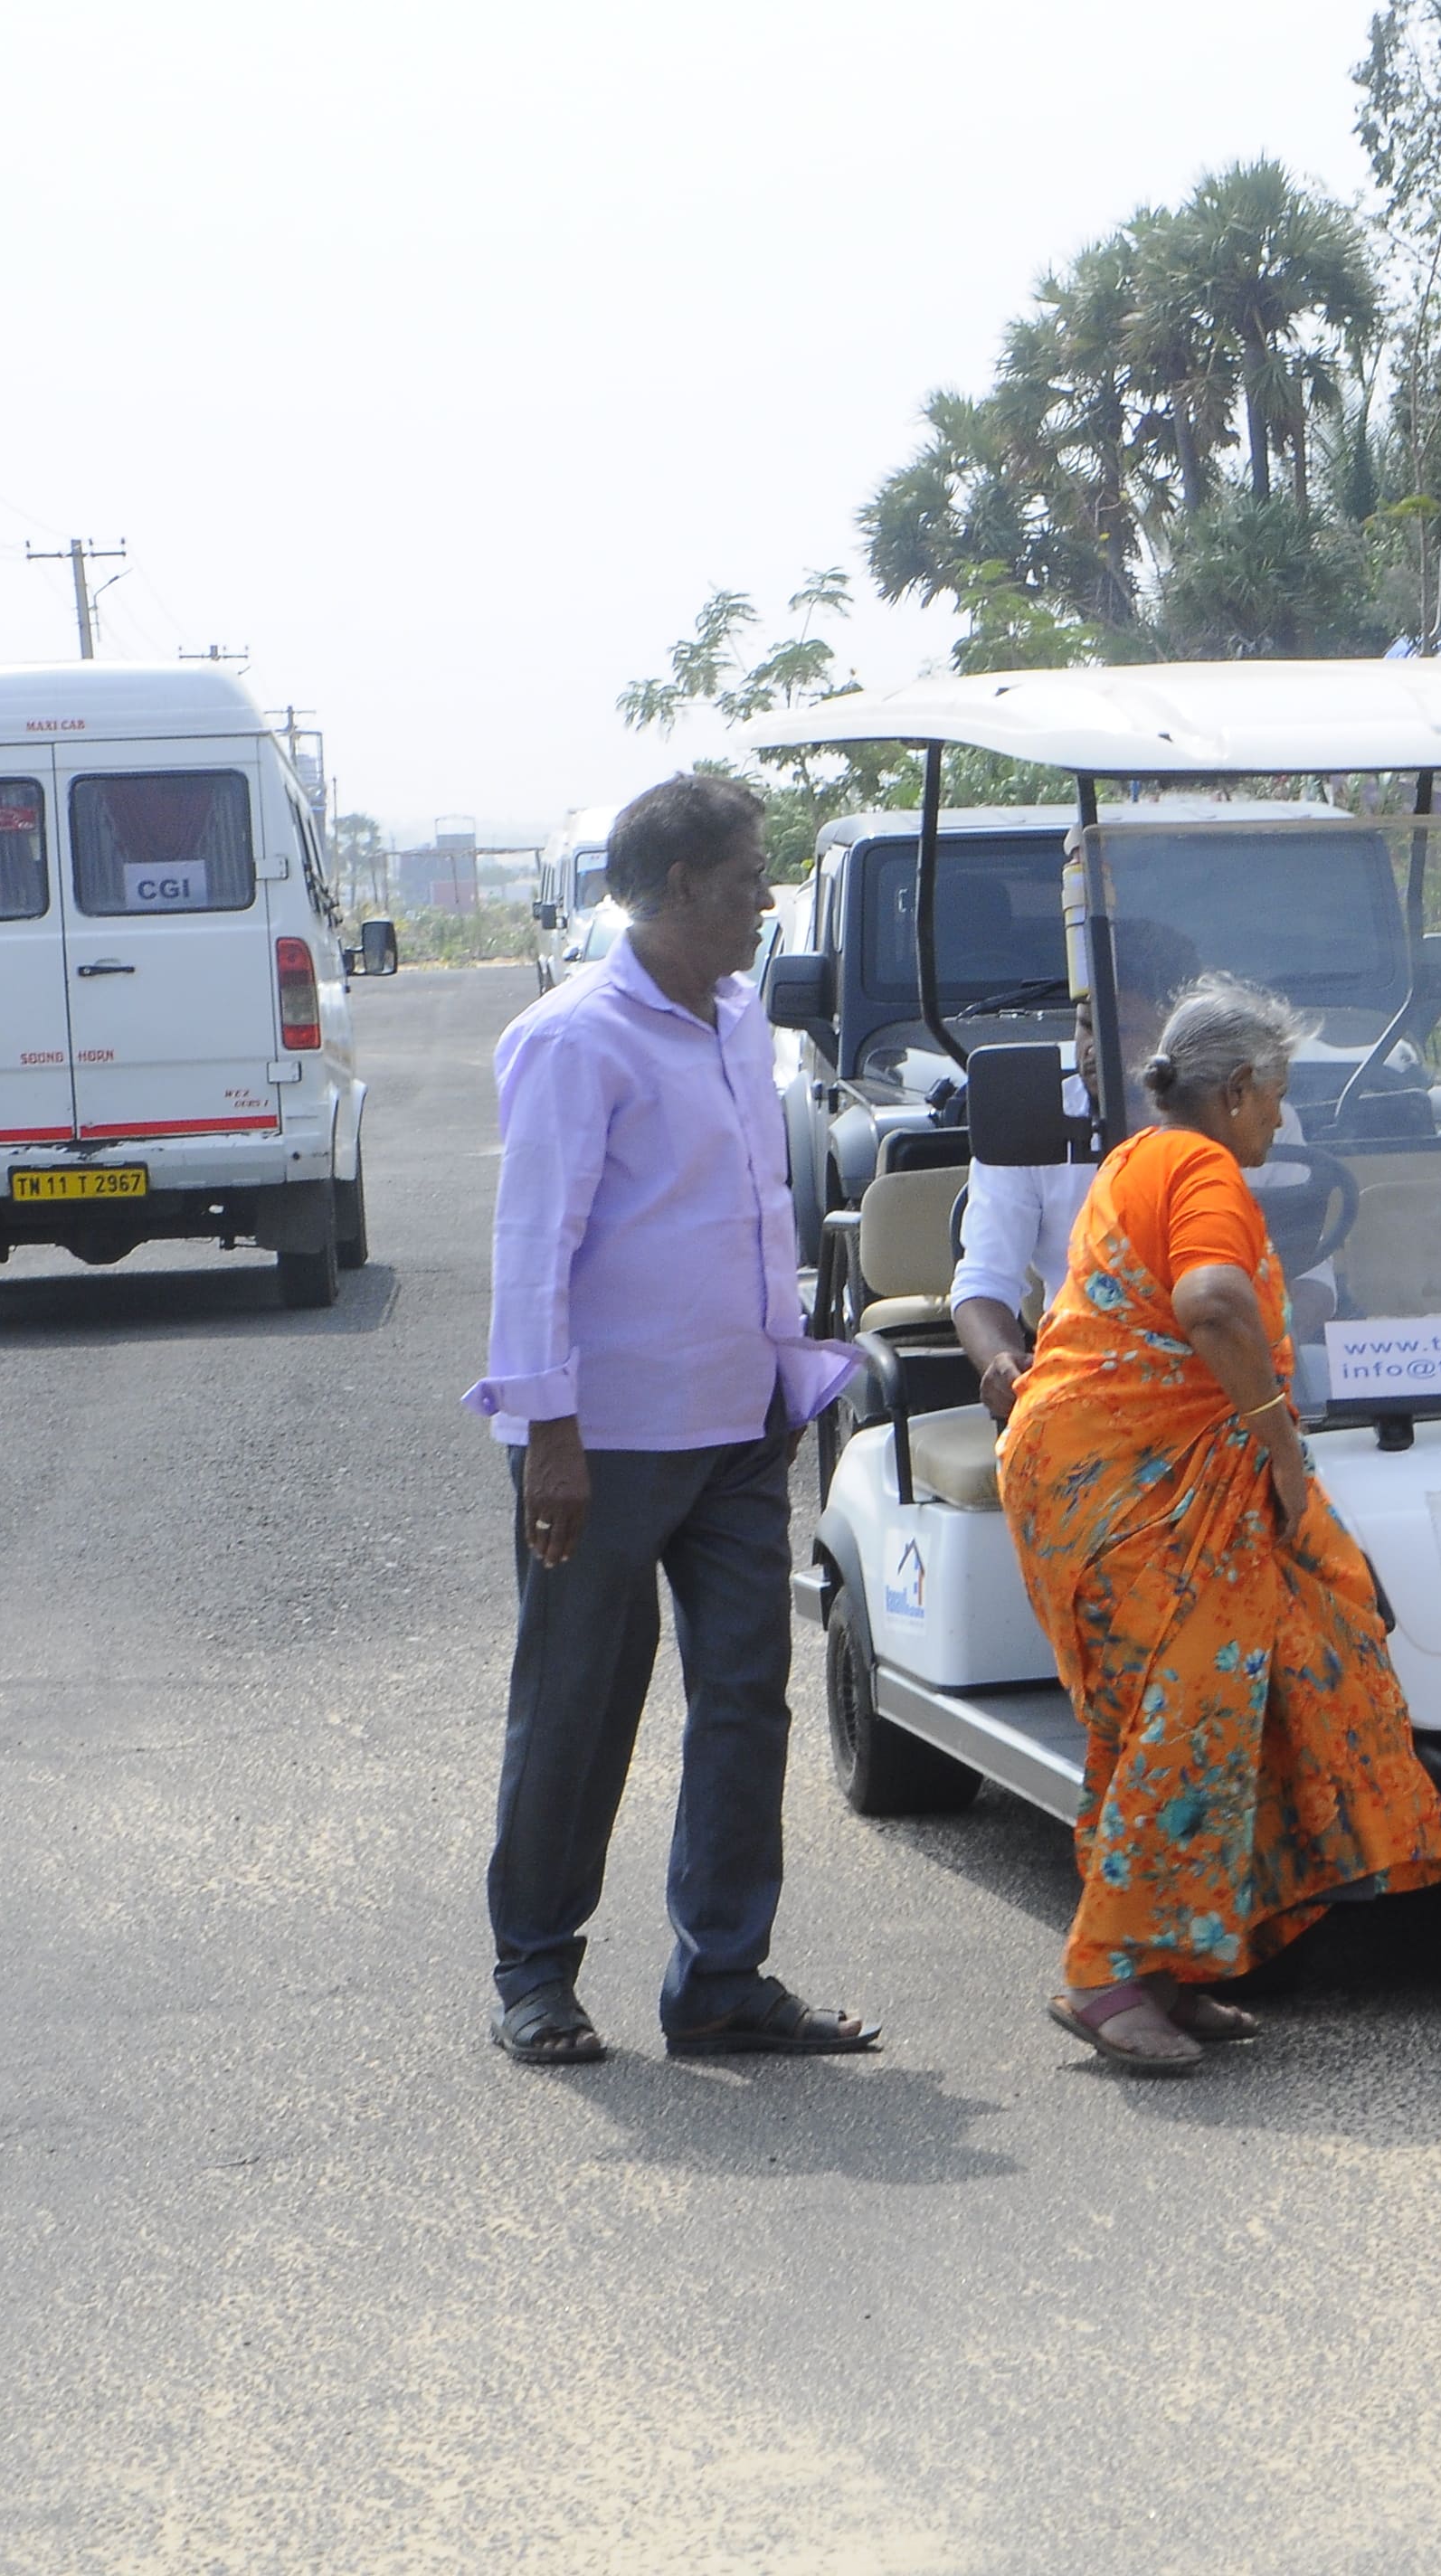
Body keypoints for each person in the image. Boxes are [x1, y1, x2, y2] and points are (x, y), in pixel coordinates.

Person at [465, 772, 876, 2068]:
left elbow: (753, 1209)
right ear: (686, 884)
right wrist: (549, 1432)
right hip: (607, 1440)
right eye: (750, 873)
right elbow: (533, 1245)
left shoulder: (738, 1018)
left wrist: (786, 1371)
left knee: (747, 1701)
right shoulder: (576, 1037)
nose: (766, 897)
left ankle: (720, 1979)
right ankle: (536, 1971)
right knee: (579, 1704)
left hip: (740, 1423)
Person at [999, 977, 1441, 2073]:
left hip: (1100, 1477)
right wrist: (1280, 1444)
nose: (1281, 1118)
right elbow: (1210, 1301)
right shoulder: (1201, 1167)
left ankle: (1168, 1969)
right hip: (1136, 1485)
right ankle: (1107, 1979)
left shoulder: (1136, 1158)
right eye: (1279, 1095)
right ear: (1239, 1087)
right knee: (1191, 1718)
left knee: (1189, 1717)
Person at [952, 915, 1203, 1423]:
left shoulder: (1245, 1118)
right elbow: (985, 1282)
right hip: (1088, 1386)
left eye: (1122, 1030)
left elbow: (1310, 1283)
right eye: (1087, 1025)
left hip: (1231, 1375)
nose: (1093, 1047)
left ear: (1175, 1036)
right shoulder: (1030, 1123)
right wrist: (1002, 1359)